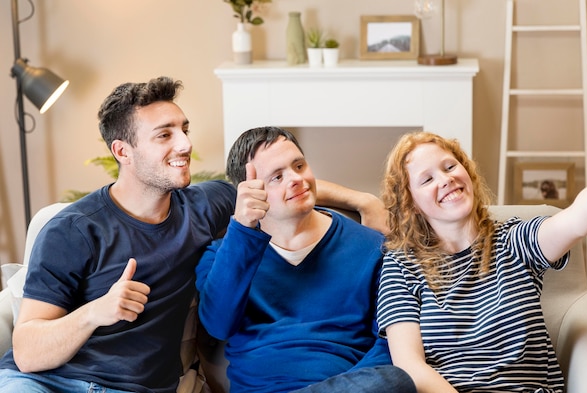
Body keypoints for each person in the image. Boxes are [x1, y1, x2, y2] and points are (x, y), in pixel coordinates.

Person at [0, 77, 388, 393]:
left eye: (184, 129)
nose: (186, 145)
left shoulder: (207, 204)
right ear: (123, 151)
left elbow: (280, 183)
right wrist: (94, 313)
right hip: (45, 383)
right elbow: (29, 353)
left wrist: (364, 200)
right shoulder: (73, 229)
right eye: (164, 135)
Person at [376, 130, 587, 393]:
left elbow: (577, 219)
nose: (446, 179)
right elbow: (410, 365)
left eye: (450, 166)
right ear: (411, 203)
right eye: (427, 180)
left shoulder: (515, 241)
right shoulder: (401, 265)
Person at [195, 126, 416, 393]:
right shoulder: (223, 254)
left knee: (395, 379)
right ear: (250, 191)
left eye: (299, 166)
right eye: (277, 176)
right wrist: (242, 228)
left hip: (347, 387)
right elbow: (218, 325)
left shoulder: (372, 247)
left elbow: (388, 343)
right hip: (261, 389)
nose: (295, 179)